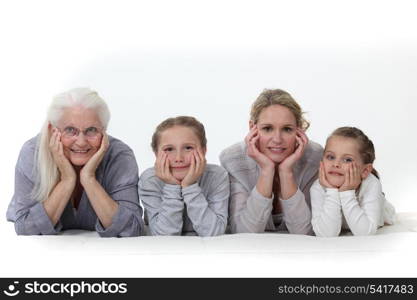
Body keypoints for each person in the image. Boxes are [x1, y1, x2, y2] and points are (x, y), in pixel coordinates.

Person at [6, 88, 144, 237]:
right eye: (70, 130)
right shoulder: (33, 152)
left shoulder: (119, 155)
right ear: (53, 130)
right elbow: (26, 228)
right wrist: (67, 180)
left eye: (91, 130)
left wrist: (89, 178)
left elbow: (132, 229)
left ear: (104, 131)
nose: (81, 142)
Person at [220, 89, 323, 234]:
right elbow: (244, 232)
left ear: (298, 130)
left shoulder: (313, 158)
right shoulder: (234, 160)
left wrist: (286, 172)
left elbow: (304, 232)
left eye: (287, 129)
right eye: (267, 128)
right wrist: (267, 171)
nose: (277, 139)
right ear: (252, 128)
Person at [139, 116, 229, 236]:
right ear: (156, 154)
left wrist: (190, 186)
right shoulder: (150, 180)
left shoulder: (216, 176)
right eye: (169, 149)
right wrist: (172, 186)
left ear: (203, 151)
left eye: (188, 148)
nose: (179, 158)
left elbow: (213, 232)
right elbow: (164, 236)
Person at [310, 127, 395, 237]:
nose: (336, 164)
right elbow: (326, 234)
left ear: (365, 170)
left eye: (347, 160)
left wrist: (347, 192)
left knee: (385, 211)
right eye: (330, 157)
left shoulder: (371, 184)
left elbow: (365, 233)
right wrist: (331, 192)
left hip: (381, 212)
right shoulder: (318, 187)